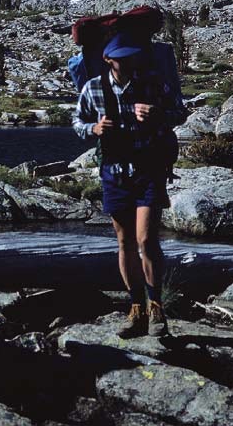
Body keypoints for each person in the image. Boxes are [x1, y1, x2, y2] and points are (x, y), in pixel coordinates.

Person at [73, 33, 186, 338]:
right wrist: (92, 128)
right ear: (108, 60)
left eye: (131, 56)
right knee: (124, 242)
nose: (127, 62)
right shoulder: (93, 88)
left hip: (149, 169)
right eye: (121, 58)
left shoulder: (151, 83)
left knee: (146, 239)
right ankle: (136, 307)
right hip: (114, 172)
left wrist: (158, 114)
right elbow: (76, 122)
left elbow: (180, 112)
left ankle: (157, 307)